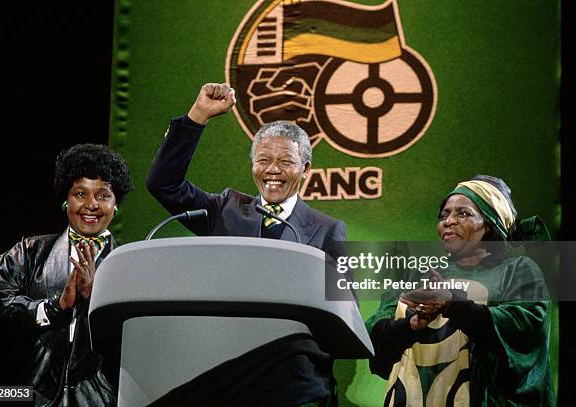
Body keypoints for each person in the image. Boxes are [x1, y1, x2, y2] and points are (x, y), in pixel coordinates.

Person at [146, 82, 346, 406]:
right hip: (225, 379)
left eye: (285, 162)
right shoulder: (225, 209)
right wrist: (197, 116)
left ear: (306, 169)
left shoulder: (328, 230)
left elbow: (342, 308)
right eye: (263, 160)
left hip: (295, 385)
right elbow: (163, 184)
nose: (272, 171)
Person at [366, 175, 555, 406]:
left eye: (462, 213)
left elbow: (525, 329)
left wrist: (454, 305)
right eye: (444, 215)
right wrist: (409, 326)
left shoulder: (518, 270)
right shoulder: (422, 273)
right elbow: (375, 328)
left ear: (490, 223)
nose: (448, 221)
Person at [0, 144, 133, 406]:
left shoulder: (131, 265)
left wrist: (96, 300)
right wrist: (55, 307)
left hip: (102, 400)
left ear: (116, 203)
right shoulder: (26, 254)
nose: (91, 205)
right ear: (66, 199)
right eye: (80, 193)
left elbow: (139, 341)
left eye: (103, 195)